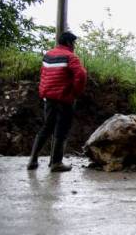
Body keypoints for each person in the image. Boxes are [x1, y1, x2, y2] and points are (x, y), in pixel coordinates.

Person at [27, 31, 87, 172]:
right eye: (73, 43)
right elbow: (81, 74)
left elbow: (43, 74)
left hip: (49, 98)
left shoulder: (48, 55)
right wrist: (75, 92)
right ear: (68, 43)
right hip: (64, 99)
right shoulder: (70, 57)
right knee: (61, 130)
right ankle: (56, 163)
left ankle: (33, 160)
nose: (74, 46)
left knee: (46, 127)